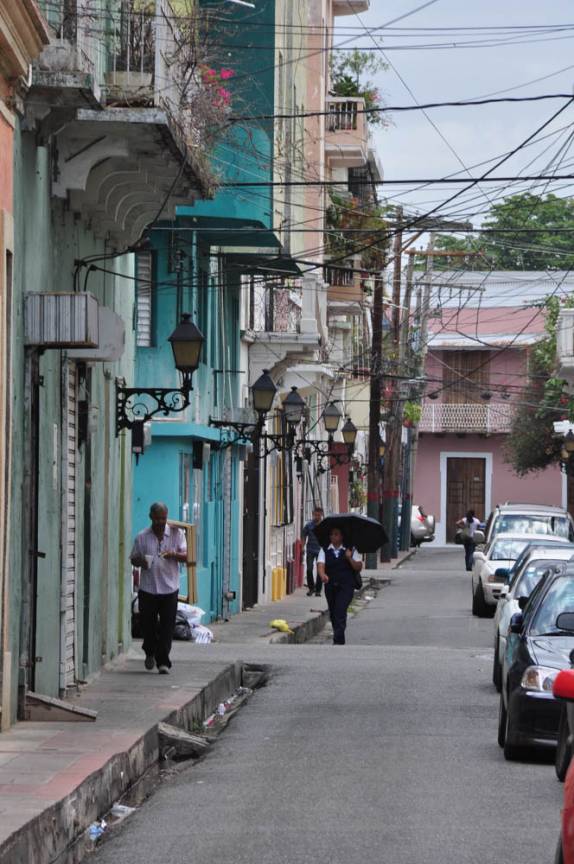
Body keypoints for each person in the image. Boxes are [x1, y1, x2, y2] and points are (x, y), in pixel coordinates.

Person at [130, 502, 187, 674]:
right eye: (157, 518)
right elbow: (133, 558)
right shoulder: (142, 537)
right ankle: (149, 652)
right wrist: (141, 561)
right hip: (148, 588)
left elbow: (188, 556)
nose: (160, 522)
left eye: (163, 518)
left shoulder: (177, 534)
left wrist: (173, 555)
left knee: (167, 627)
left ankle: (163, 662)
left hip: (170, 588)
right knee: (148, 625)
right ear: (151, 517)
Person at [317, 526, 363, 645]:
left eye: (336, 534)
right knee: (333, 612)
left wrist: (349, 558)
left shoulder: (351, 550)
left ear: (342, 536)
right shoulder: (325, 549)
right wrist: (323, 576)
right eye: (331, 534)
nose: (333, 536)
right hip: (330, 586)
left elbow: (358, 566)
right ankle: (338, 636)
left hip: (346, 585)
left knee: (340, 610)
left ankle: (338, 641)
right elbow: (321, 564)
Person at [302, 506, 324, 596]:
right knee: (309, 569)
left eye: (318, 515)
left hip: (320, 551)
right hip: (310, 549)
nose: (317, 517)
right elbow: (304, 535)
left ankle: (318, 590)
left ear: (321, 515)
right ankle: (311, 588)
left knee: (320, 571)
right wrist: (302, 547)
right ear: (313, 514)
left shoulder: (324, 525)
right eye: (315, 515)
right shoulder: (309, 525)